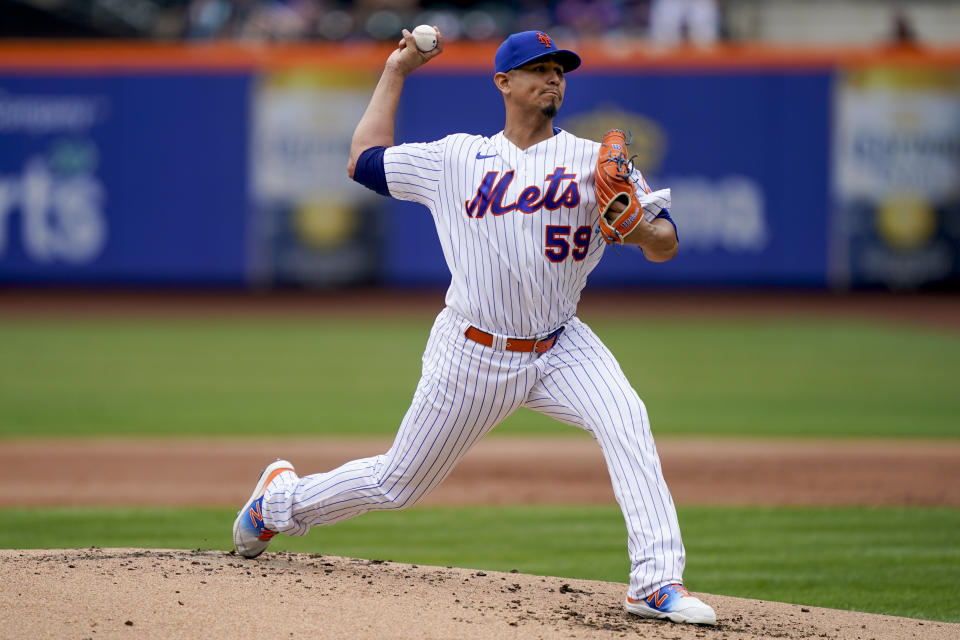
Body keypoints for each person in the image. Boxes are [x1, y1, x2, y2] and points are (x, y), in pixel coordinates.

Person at [233, 28, 717, 626]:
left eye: (559, 70)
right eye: (539, 69)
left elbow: (666, 242)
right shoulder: (456, 158)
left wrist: (639, 229)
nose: (553, 78)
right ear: (504, 82)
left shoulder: (594, 161)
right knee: (397, 483)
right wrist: (397, 71)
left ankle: (654, 583)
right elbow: (363, 160)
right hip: (473, 351)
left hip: (561, 344)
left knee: (627, 421)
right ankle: (278, 502)